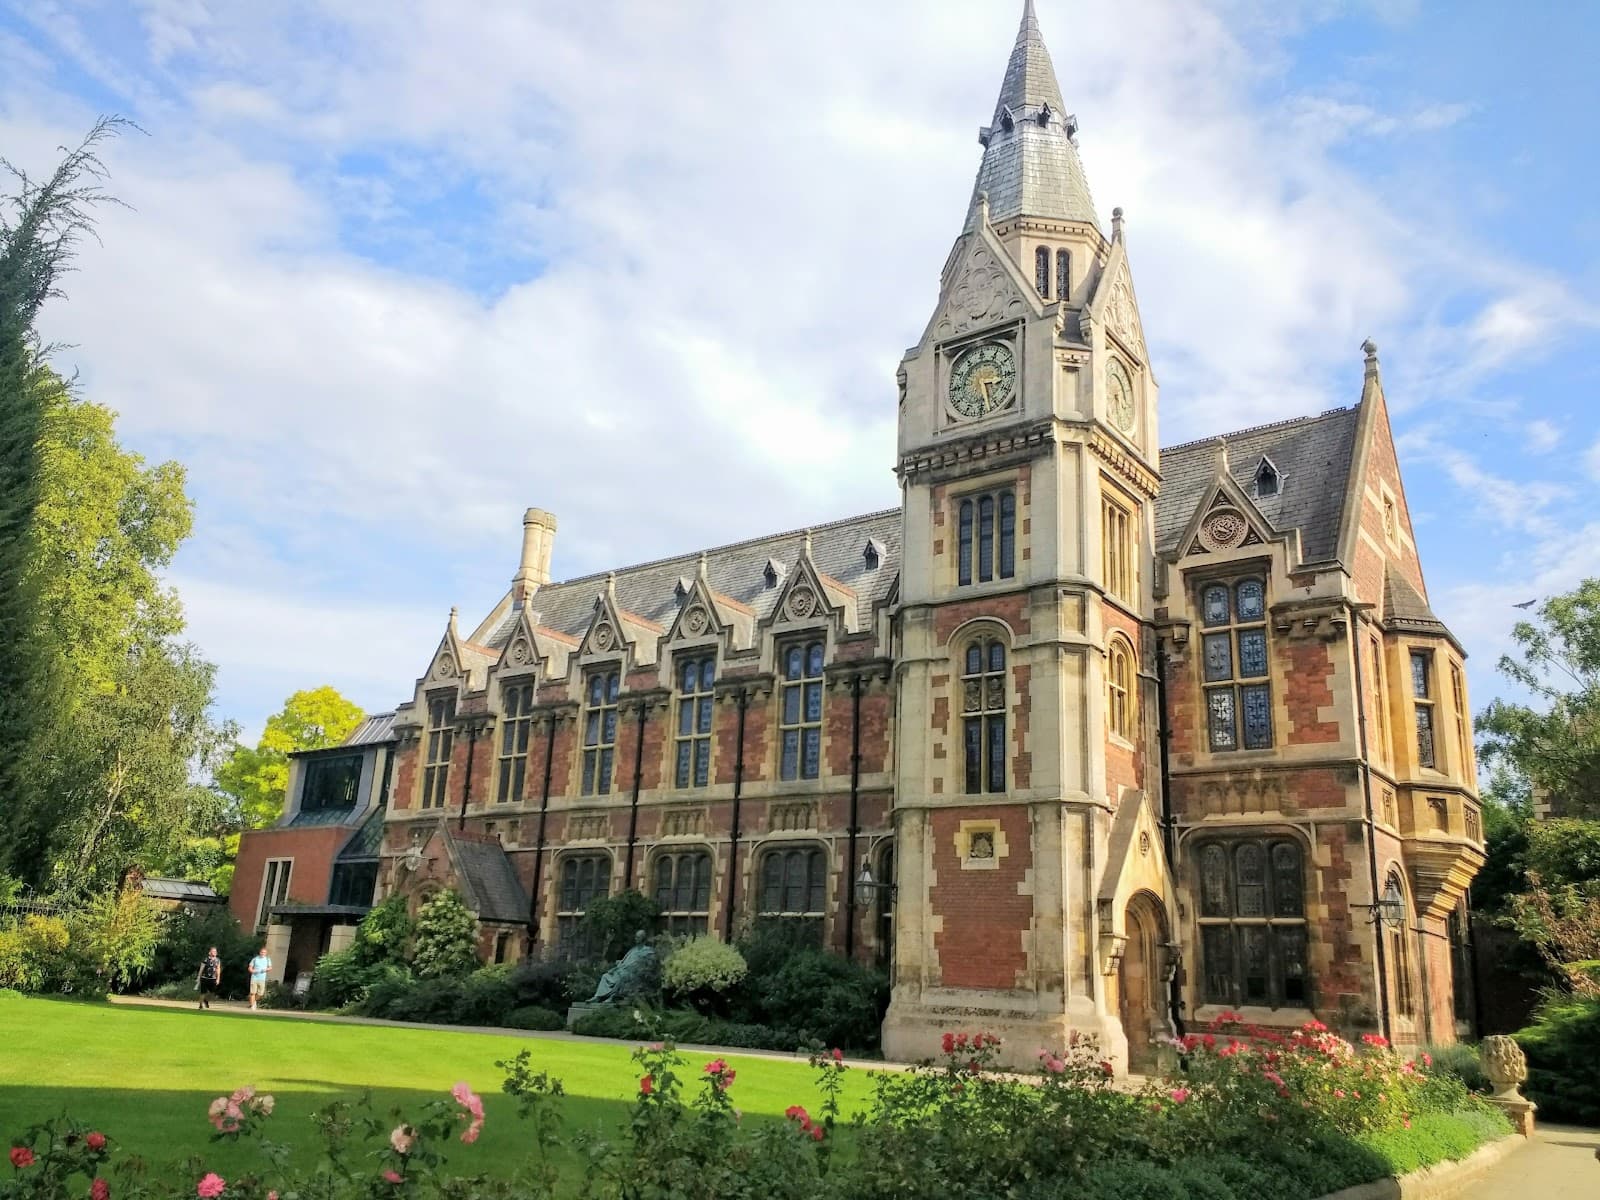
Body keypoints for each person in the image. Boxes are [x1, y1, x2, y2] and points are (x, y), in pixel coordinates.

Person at [246, 945, 273, 1010]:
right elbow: (250, 968)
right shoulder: (255, 959)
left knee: (261, 993)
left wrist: (265, 970)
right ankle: (252, 1005)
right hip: (254, 978)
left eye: (264, 952)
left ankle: (254, 1001)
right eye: (262, 952)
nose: (263, 953)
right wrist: (252, 971)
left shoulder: (267, 959)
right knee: (253, 993)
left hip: (262, 978)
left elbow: (270, 968)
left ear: (266, 953)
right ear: (259, 952)